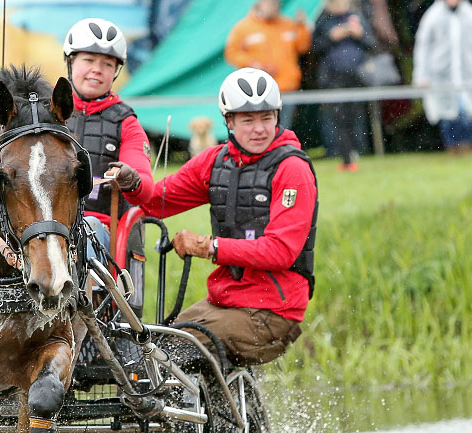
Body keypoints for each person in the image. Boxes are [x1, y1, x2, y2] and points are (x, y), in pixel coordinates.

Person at [140, 68, 317, 366]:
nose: (259, 129)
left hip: (273, 312)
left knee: (174, 356)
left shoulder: (293, 169)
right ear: (229, 121)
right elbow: (155, 203)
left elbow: (281, 251)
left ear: (277, 117)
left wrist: (211, 247)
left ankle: (194, 406)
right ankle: (214, 408)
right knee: (156, 350)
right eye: (248, 120)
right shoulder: (214, 161)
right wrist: (132, 182)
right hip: (226, 301)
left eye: (266, 118)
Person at [60, 18, 155, 259]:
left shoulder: (126, 122)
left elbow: (145, 188)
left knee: (88, 229)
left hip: (99, 231)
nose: (97, 69)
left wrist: (131, 178)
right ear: (71, 62)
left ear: (115, 71)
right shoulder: (41, 106)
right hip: (41, 225)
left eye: (107, 63)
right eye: (89, 60)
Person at [412, 0, 472, 155]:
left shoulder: (471, 14)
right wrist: (421, 75)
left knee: (465, 116)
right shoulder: (433, 15)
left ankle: (466, 150)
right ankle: (452, 151)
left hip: (466, 76)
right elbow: (422, 47)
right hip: (440, 77)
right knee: (447, 118)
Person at [224, 0, 311, 128]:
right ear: (259, 4)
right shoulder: (244, 27)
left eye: (275, 3)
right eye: (269, 3)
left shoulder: (288, 24)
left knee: (283, 129)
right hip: (259, 90)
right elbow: (231, 53)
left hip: (286, 87)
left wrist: (302, 26)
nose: (273, 7)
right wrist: (252, 64)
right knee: (261, 129)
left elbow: (303, 47)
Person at [311, 0, 376, 171]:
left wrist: (359, 34)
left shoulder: (358, 17)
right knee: (339, 119)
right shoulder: (323, 21)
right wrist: (330, 38)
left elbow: (372, 43)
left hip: (357, 77)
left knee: (357, 116)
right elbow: (312, 48)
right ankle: (343, 155)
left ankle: (361, 151)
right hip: (333, 79)